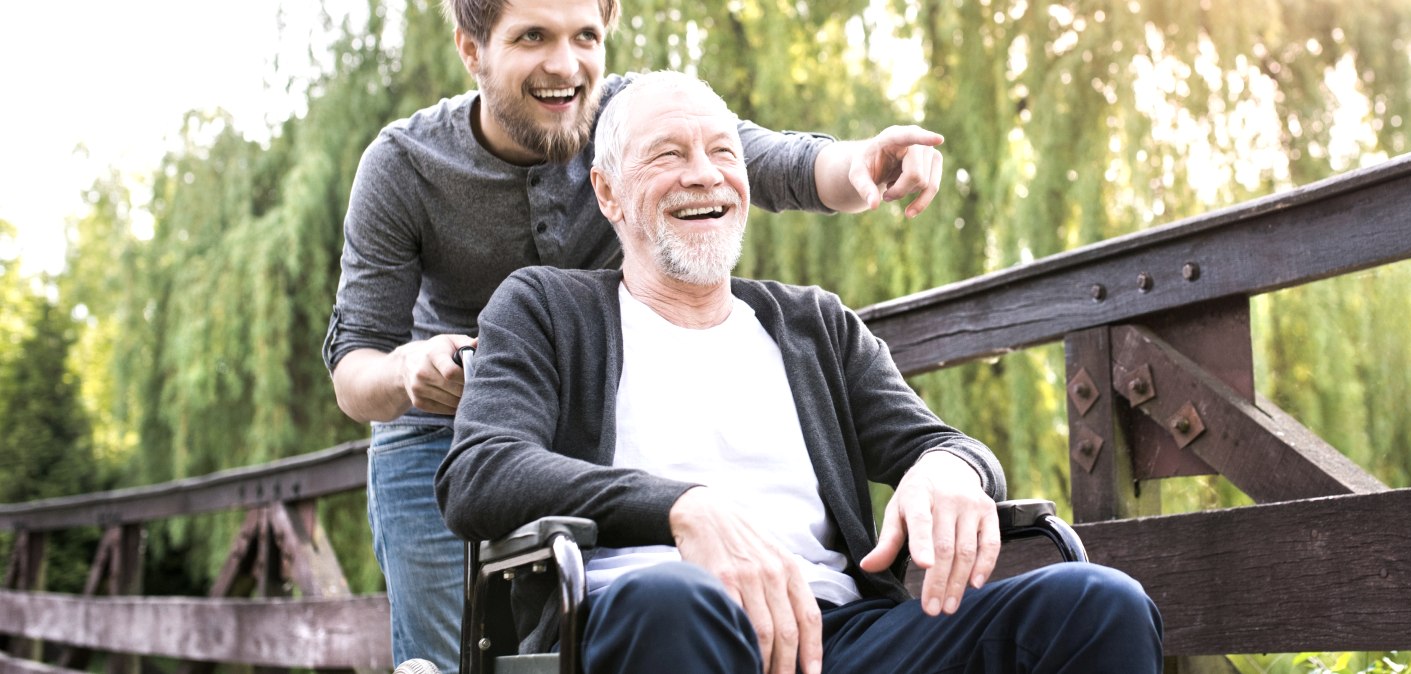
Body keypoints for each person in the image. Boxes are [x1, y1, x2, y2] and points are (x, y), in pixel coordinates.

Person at [437, 70, 1163, 674]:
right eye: (667, 156)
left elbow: (939, 443)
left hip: (835, 638)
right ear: (607, 193)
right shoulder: (545, 308)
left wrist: (954, 468)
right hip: (647, 627)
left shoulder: (813, 324)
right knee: (675, 600)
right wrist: (683, 507)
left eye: (724, 152)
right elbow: (481, 473)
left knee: (1101, 604)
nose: (704, 175)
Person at [320, 0, 948, 669]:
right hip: (439, 431)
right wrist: (406, 370)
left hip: (590, 410)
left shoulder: (631, 119)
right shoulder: (403, 165)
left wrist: (863, 167)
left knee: (629, 601)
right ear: (472, 51)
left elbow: (772, 161)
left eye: (585, 36)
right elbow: (353, 370)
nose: (565, 64)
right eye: (533, 36)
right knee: (455, 658)